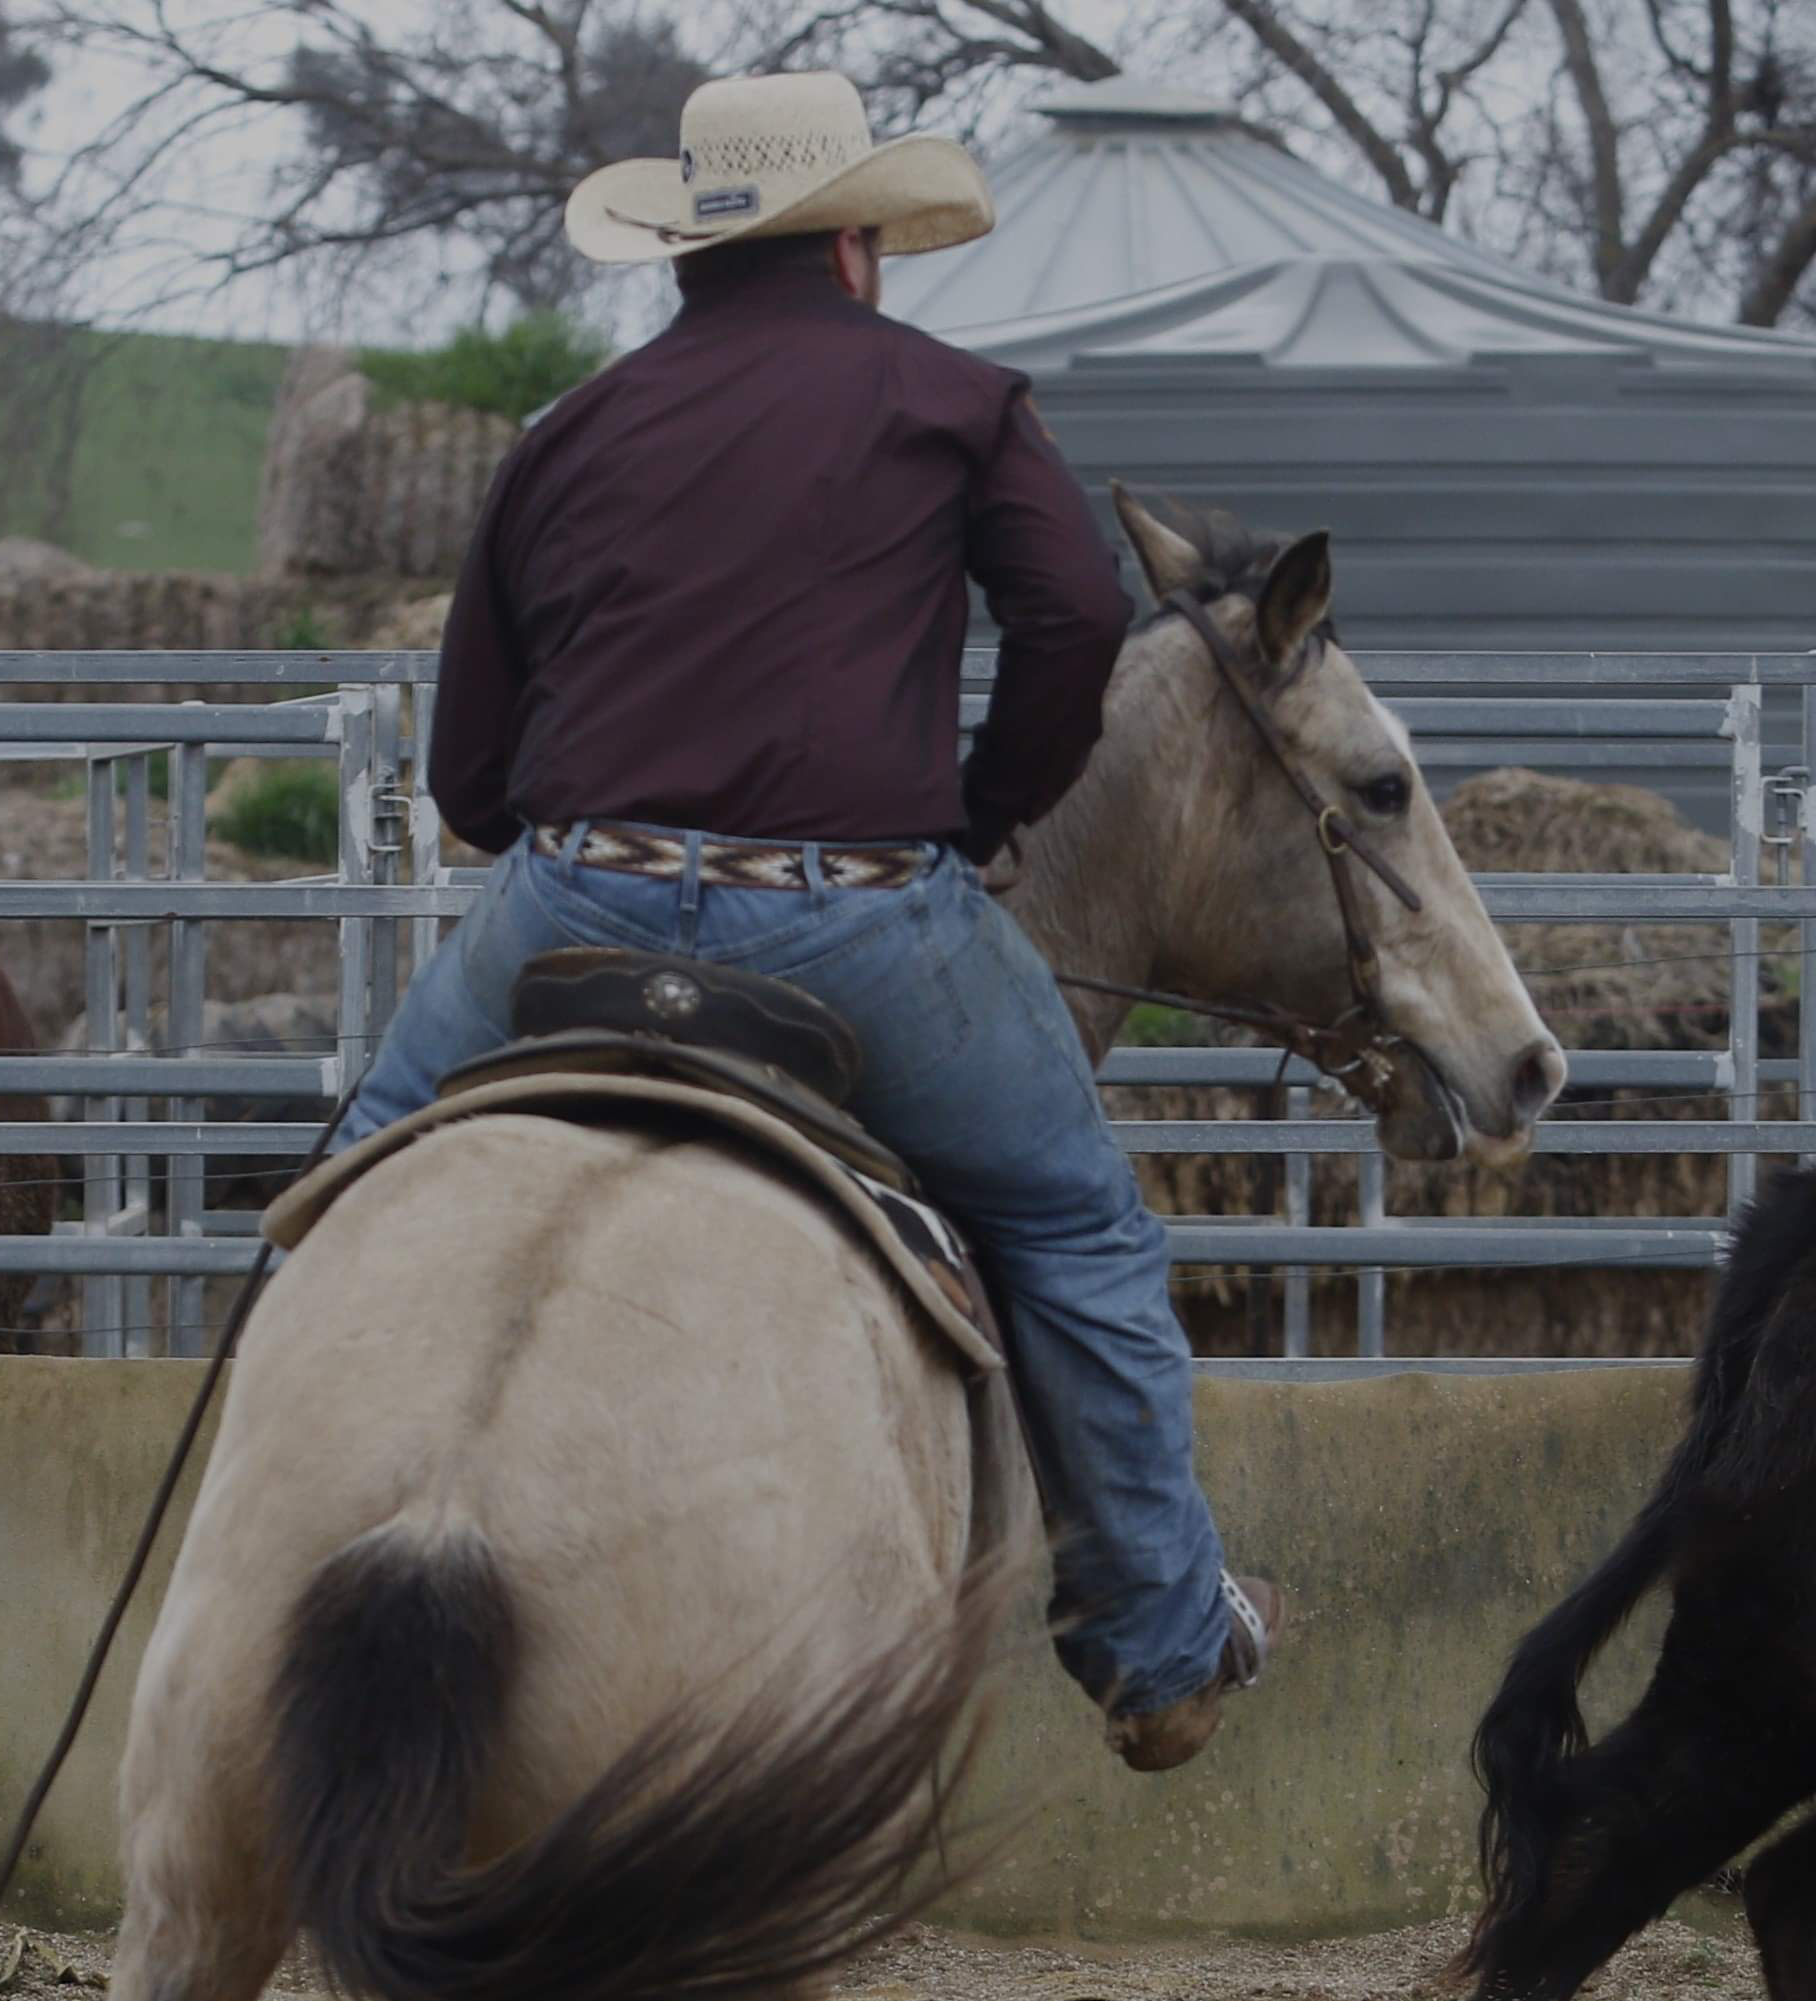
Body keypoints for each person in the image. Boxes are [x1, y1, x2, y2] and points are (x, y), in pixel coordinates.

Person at [348, 68, 1268, 1771]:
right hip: (856, 919)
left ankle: (252, 1552)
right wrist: (983, 807)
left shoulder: (568, 434)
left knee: (352, 1181)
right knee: (1076, 1232)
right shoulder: (957, 405)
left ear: (684, 252)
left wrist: (550, 819)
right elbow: (1076, 618)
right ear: (856, 246)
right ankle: (1157, 1650)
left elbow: (468, 770)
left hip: (575, 901)